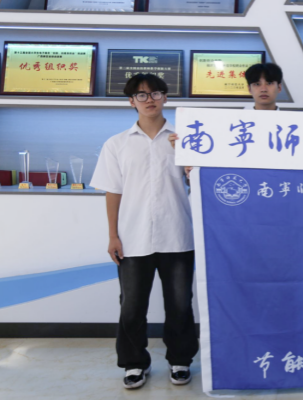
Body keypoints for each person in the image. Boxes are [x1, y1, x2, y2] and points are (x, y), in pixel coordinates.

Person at [91, 74, 198, 390]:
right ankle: (134, 363)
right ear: (131, 101)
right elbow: (113, 191)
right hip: (132, 237)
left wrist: (191, 164)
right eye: (141, 95)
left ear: (165, 97)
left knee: (180, 304)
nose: (149, 99)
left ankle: (180, 360)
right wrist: (113, 235)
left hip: (177, 234)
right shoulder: (117, 144)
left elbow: (198, 184)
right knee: (131, 306)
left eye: (156, 93)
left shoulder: (184, 139)